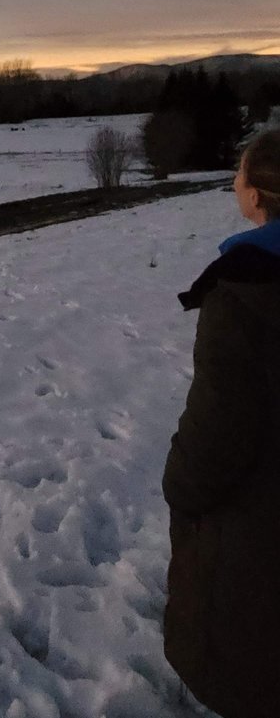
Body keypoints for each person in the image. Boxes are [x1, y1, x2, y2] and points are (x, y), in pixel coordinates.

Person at [162, 128, 280, 718]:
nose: (234, 182)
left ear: (256, 196)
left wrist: (180, 488)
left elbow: (215, 443)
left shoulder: (247, 297)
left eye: (239, 173)